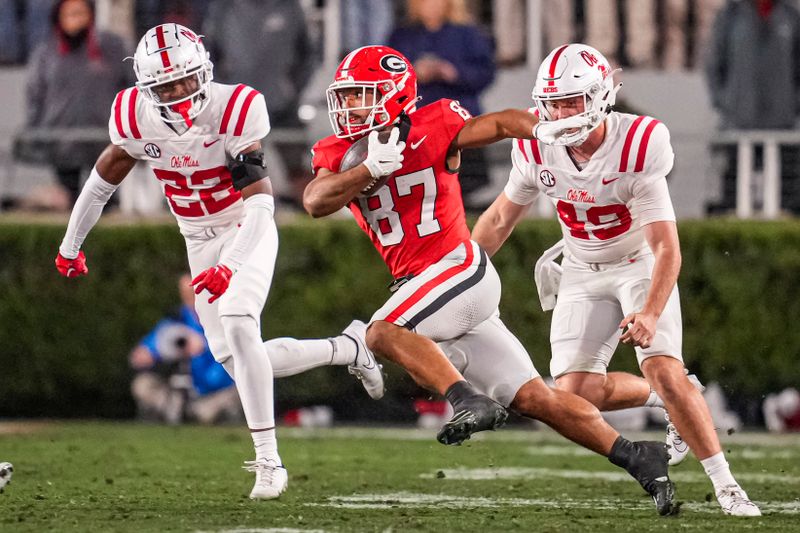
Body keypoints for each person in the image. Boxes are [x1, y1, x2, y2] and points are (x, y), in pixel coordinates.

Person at [302, 45, 676, 515]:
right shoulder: (339, 152)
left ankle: (465, 399)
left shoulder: (433, 124)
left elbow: (500, 123)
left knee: (381, 332)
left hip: (458, 268)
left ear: (395, 97)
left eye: (363, 95)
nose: (351, 106)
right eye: (348, 96)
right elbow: (315, 201)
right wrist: (367, 170)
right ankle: (639, 457)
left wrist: (542, 130)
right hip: (426, 287)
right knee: (537, 398)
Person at [53, 23, 383, 501]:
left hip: (244, 226)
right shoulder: (132, 117)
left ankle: (269, 461)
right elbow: (102, 183)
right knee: (237, 360)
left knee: (238, 322)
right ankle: (348, 348)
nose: (182, 92)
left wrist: (232, 264)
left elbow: (262, 204)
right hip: (197, 237)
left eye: (189, 80)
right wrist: (70, 243)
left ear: (204, 71)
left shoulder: (236, 107)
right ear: (147, 89)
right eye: (168, 86)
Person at [471, 43, 761, 517]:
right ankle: (670, 397)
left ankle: (726, 484)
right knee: (572, 394)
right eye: (553, 102)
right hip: (581, 268)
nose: (561, 113)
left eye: (572, 101)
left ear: (602, 97)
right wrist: (461, 272)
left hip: (638, 264)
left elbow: (666, 245)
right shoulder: (534, 142)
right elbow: (502, 216)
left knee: (661, 365)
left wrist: (648, 311)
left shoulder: (639, 143)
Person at [202, 0, 314, 206]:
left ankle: (314, 225)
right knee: (228, 177)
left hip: (282, 108)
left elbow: (307, 54)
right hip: (236, 110)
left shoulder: (289, 7)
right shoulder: (223, 8)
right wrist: (224, 92)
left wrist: (292, 90)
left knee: (300, 173)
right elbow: (209, 55)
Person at [26, 0, 131, 206]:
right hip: (61, 141)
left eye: (79, 13)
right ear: (59, 18)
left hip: (103, 139)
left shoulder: (111, 47)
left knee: (105, 199)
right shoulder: (46, 53)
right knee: (71, 202)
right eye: (69, 14)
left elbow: (129, 85)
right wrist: (36, 131)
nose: (75, 20)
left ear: (90, 15)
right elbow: (35, 95)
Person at [388, 0, 495, 201]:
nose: (431, 5)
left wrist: (452, 73)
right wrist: (413, 72)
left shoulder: (467, 33)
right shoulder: (403, 35)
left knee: (464, 188)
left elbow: (486, 73)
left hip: (459, 121)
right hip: (417, 123)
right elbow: (386, 76)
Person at [704, 0, 800, 215]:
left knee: (789, 194)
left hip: (784, 126)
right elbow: (714, 64)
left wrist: (794, 106)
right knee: (732, 193)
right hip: (739, 125)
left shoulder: (791, 15)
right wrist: (726, 102)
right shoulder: (731, 15)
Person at [129, 274, 242, 425]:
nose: (190, 298)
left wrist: (204, 347)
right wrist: (154, 354)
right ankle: (177, 411)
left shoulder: (221, 319)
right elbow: (143, 352)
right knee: (142, 385)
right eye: (185, 293)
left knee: (239, 390)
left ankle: (195, 414)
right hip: (176, 392)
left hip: (212, 392)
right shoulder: (176, 321)